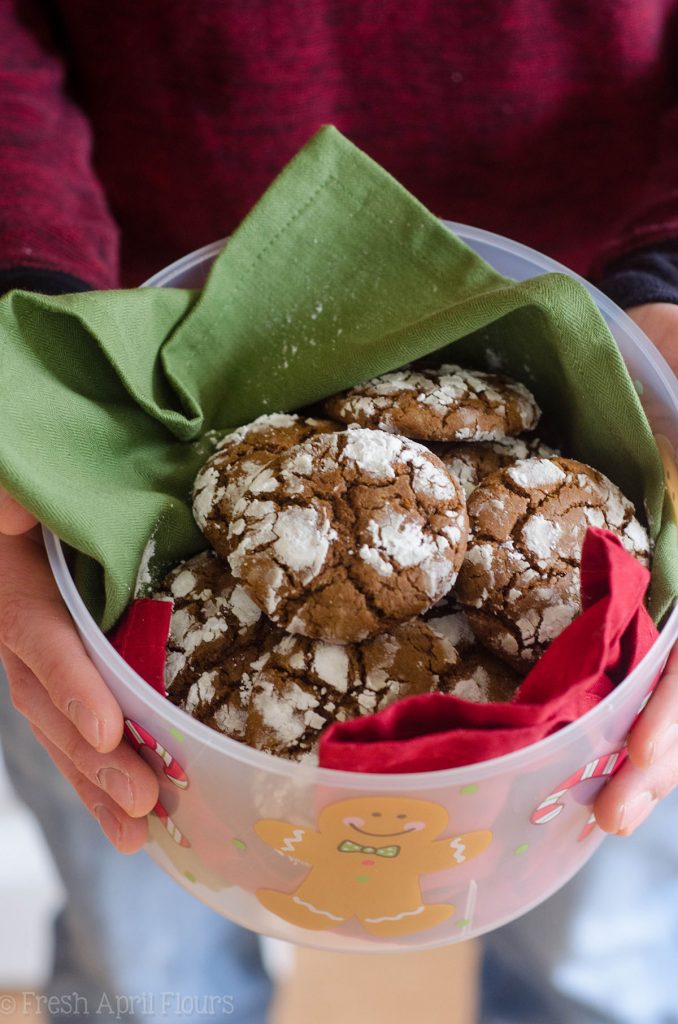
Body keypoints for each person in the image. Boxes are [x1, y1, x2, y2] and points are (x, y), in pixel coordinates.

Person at [1, 2, 677, 1021]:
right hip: (137, 350)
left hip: (627, 339)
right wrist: (25, 378)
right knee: (140, 964)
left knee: (603, 962)